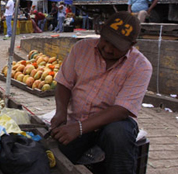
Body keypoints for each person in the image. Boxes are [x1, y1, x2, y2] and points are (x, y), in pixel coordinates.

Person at [50, 11, 151, 174]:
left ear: (132, 44)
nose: (108, 49)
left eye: (117, 46)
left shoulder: (141, 66)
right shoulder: (81, 49)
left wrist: (80, 128)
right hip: (76, 119)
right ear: (100, 32)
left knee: (119, 134)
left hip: (111, 123)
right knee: (54, 158)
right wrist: (61, 112)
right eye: (106, 40)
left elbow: (121, 110)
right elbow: (64, 83)